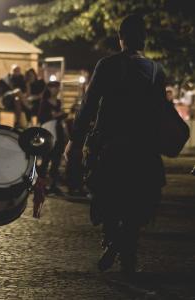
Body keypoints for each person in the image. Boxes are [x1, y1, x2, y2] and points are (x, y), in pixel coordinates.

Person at [64, 14, 166, 277]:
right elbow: (160, 111)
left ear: (121, 38)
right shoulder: (156, 70)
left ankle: (112, 239)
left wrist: (74, 140)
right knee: (136, 197)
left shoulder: (107, 65)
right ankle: (127, 253)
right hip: (143, 146)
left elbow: (89, 105)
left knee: (107, 193)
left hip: (110, 143)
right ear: (143, 39)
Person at [37, 81, 67, 195]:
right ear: (49, 88)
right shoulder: (44, 102)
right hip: (49, 131)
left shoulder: (58, 102)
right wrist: (55, 115)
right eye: (54, 87)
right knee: (46, 159)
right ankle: (42, 185)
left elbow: (60, 116)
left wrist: (58, 115)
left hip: (58, 131)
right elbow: (41, 117)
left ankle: (54, 185)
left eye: (58, 88)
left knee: (56, 159)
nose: (56, 90)